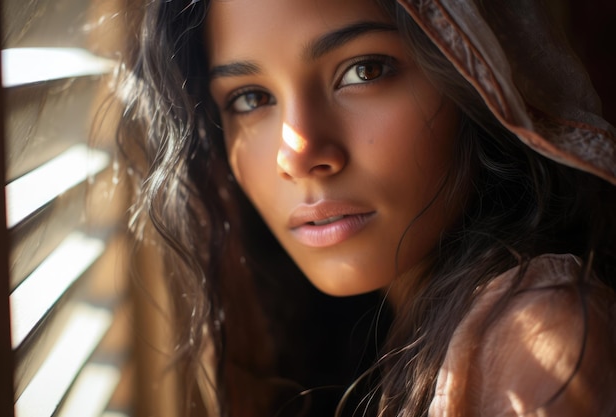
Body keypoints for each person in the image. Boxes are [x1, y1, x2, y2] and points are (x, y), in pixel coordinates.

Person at [116, 0, 616, 415]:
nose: (298, 154)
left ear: (477, 77)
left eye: (364, 70)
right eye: (250, 98)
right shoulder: (353, 339)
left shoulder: (541, 343)